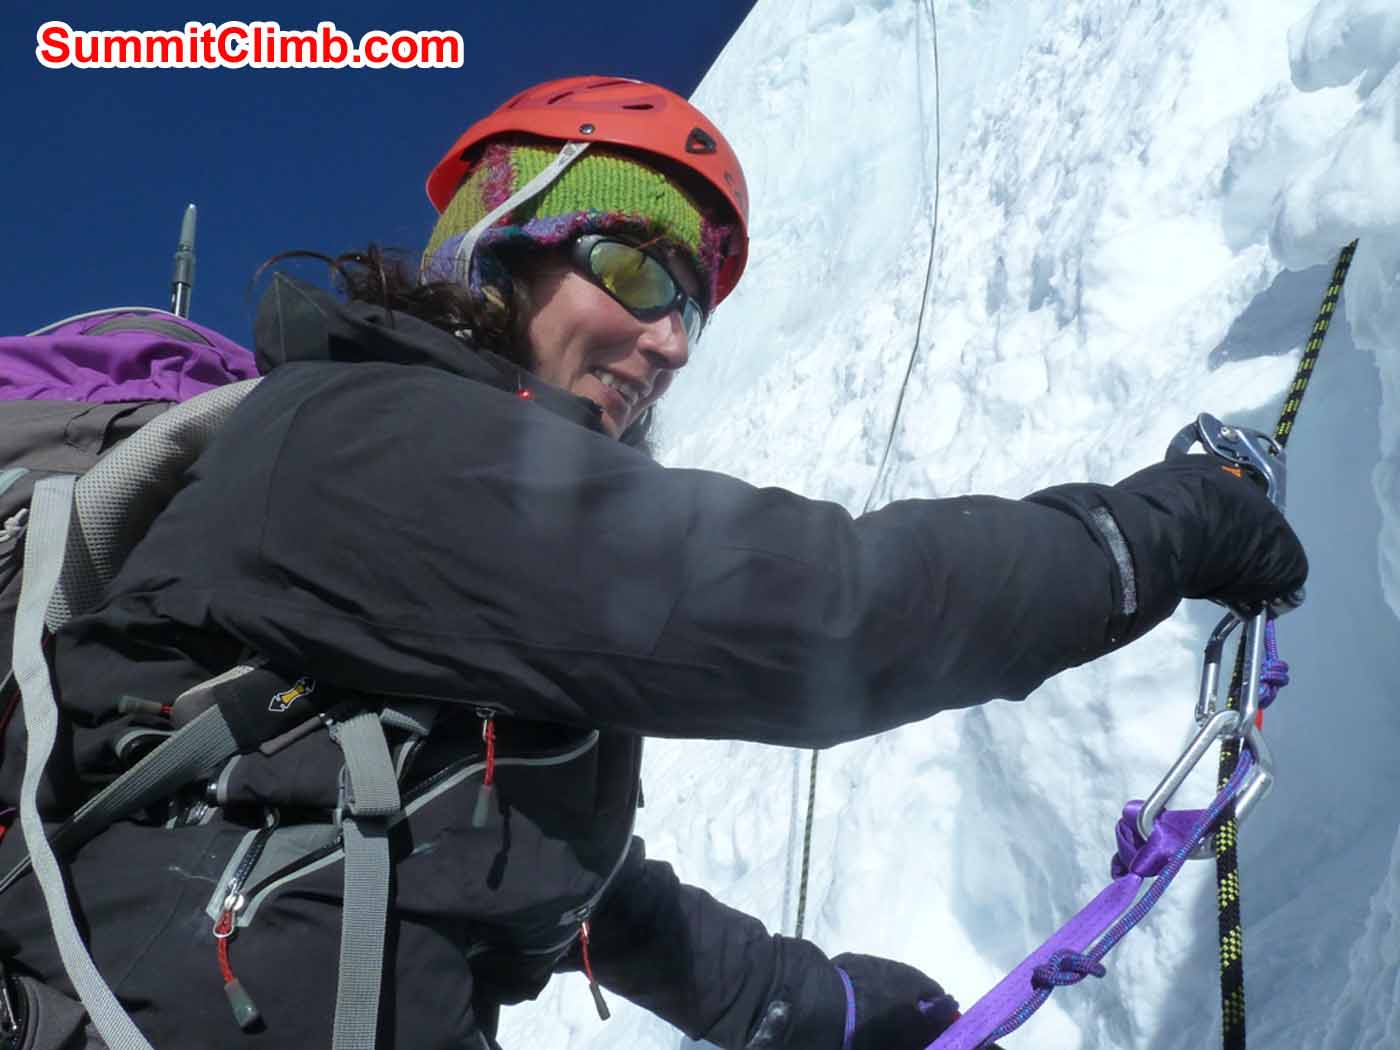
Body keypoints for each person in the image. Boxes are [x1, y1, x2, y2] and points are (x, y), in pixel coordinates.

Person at [0, 75, 1306, 1050]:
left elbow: (551, 873)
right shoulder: (360, 441)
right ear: (497, 249)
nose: (671, 339)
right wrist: (1146, 537)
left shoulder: (434, 571)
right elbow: (814, 610)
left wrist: (810, 998)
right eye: (632, 267)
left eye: (690, 306)